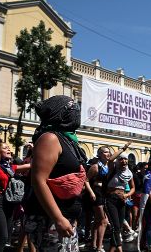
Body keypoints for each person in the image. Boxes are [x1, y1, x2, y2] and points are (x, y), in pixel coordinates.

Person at [23, 95, 88, 251]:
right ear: (60, 112)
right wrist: (58, 218)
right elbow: (38, 180)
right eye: (72, 108)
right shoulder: (50, 138)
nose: (76, 111)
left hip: (66, 217)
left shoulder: (68, 139)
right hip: (49, 219)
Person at [0, 130, 31, 252]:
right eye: (5, 148)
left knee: (3, 238)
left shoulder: (10, 167)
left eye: (9, 148)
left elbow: (32, 165)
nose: (9, 150)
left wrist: (33, 150)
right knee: (2, 237)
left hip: (8, 202)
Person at [105, 152, 135, 252]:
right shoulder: (113, 169)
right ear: (118, 160)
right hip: (111, 199)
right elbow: (110, 160)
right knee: (115, 227)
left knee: (119, 227)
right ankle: (119, 247)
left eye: (125, 159)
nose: (124, 161)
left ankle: (113, 249)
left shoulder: (129, 173)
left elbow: (133, 188)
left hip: (122, 200)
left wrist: (126, 195)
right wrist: (123, 149)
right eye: (121, 159)